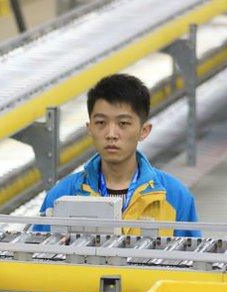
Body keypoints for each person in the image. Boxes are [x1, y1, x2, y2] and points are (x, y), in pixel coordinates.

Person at [34, 73, 199, 237]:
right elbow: (37, 258)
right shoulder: (62, 195)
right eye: (101, 123)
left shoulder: (174, 196)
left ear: (144, 131)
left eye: (123, 123)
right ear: (89, 128)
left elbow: (192, 259)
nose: (111, 134)